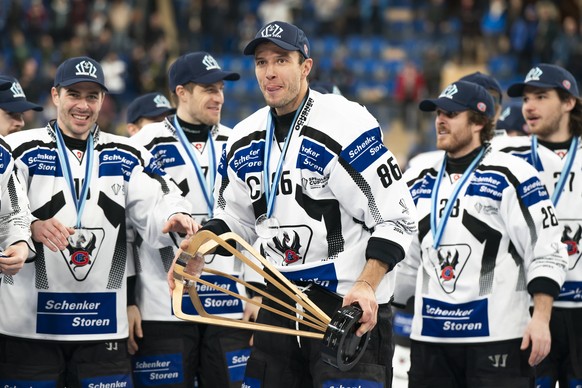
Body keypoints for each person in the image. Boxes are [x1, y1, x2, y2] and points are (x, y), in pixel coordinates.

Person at [168, 21, 418, 387]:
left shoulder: (346, 123)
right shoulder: (244, 137)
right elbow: (234, 218)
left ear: (306, 67)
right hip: (279, 304)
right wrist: (197, 246)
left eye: (281, 60)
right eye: (261, 62)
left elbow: (398, 216)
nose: (269, 72)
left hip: (345, 307)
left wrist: (367, 285)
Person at [0, 56, 196, 387]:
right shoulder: (18, 150)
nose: (83, 105)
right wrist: (31, 227)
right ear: (55, 95)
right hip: (27, 326)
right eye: (74, 94)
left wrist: (174, 215)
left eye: (92, 96)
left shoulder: (125, 153)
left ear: (103, 101)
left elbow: (160, 194)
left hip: (103, 325)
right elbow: (5, 211)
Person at [395, 80, 568, 387]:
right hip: (430, 341)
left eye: (451, 114)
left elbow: (547, 248)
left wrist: (541, 318)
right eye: (437, 113)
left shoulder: (513, 174)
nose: (440, 121)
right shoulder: (418, 176)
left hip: (497, 338)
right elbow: (405, 260)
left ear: (478, 122)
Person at [128, 51, 253, 388]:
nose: (219, 98)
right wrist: (126, 302)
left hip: (227, 306)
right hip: (162, 305)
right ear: (181, 92)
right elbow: (126, 230)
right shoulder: (142, 145)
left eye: (221, 89)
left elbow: (259, 221)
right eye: (208, 89)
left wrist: (257, 292)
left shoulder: (239, 142)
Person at [493, 63, 582, 388]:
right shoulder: (505, 156)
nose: (528, 106)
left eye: (541, 97)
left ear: (569, 102)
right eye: (526, 98)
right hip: (526, 308)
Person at [0, 77, 31, 279]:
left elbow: (14, 213)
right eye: (11, 114)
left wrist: (19, 243)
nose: (21, 122)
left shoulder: (3, 153)